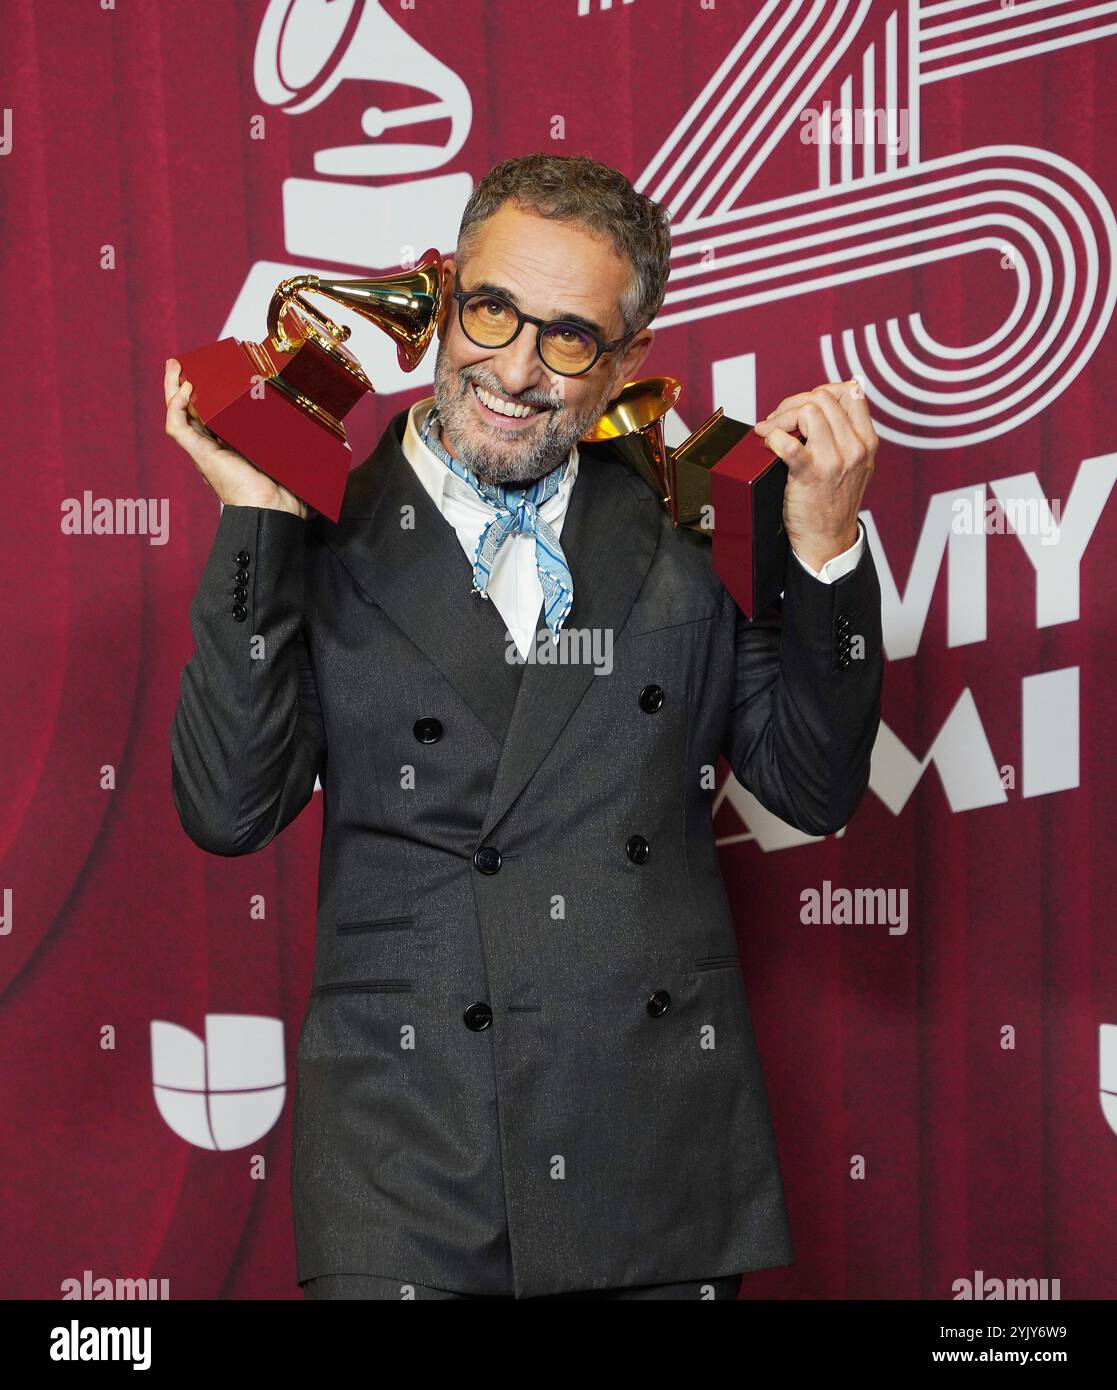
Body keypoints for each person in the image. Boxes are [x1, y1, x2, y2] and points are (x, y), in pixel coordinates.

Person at [166, 153, 882, 1300]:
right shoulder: (318, 520)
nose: (513, 370)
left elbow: (811, 785)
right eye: (490, 310)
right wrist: (256, 517)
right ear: (444, 295)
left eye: (567, 337)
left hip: (651, 1150)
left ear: (626, 360)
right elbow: (227, 809)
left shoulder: (700, 509)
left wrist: (827, 551)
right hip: (403, 1154)